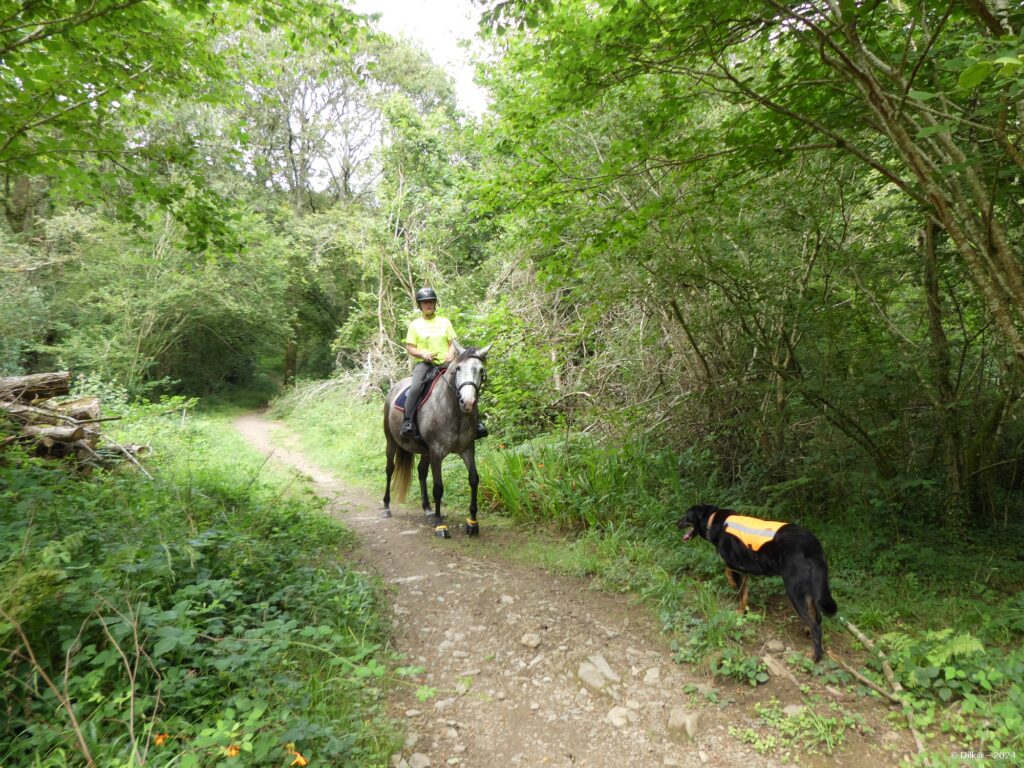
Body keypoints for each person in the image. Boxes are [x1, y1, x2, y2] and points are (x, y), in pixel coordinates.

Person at [400, 287, 488, 440]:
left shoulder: (444, 322)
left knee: (467, 385)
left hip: (447, 363)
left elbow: (452, 342)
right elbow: (410, 347)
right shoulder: (415, 325)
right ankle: (408, 422)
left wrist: (450, 353)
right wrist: (423, 354)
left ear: (435, 304)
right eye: (424, 302)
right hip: (426, 364)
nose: (428, 305)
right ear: (420, 305)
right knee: (415, 388)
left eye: (431, 302)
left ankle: (477, 423)